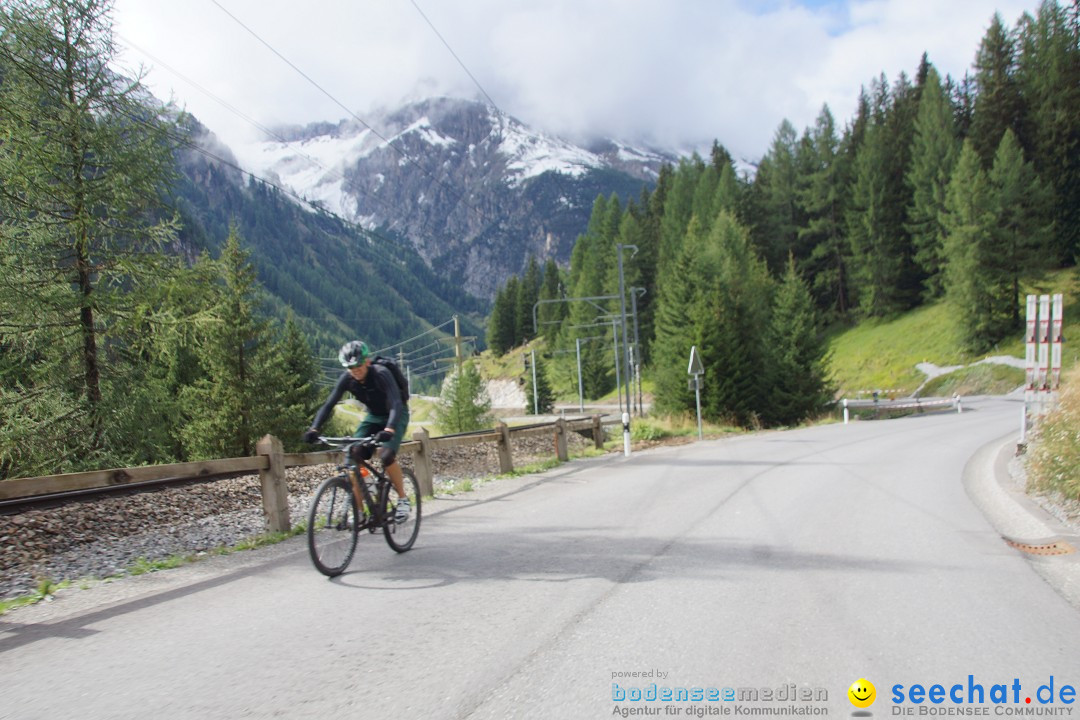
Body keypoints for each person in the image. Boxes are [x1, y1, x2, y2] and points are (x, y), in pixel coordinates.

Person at [303, 340, 412, 522]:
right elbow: (329, 404)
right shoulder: (347, 379)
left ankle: (402, 499)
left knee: (386, 455)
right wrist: (314, 428)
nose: (355, 370)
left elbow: (396, 403)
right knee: (353, 456)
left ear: (367, 361)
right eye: (350, 367)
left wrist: (390, 428)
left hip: (396, 414)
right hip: (373, 416)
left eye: (358, 365)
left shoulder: (381, 374)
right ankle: (360, 512)